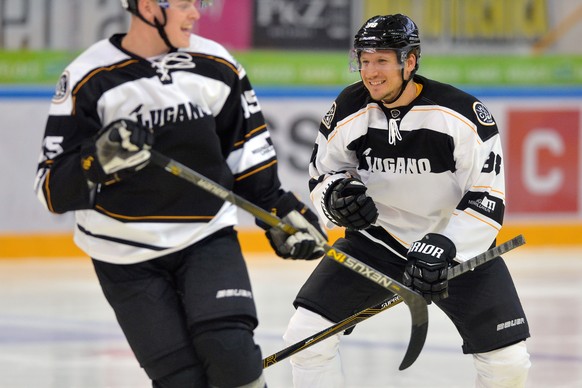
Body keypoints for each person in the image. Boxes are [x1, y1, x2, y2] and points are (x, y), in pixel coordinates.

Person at [33, 0, 326, 386]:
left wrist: (280, 212)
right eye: (186, 3)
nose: (196, 13)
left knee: (233, 357)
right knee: (181, 380)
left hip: (205, 236)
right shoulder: (89, 77)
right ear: (149, 6)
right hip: (124, 256)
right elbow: (51, 189)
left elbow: (247, 158)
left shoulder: (217, 65)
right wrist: (97, 158)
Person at [282, 14, 531, 388]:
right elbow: (322, 174)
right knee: (305, 336)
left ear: (410, 61)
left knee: (508, 362)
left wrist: (448, 244)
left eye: (381, 60)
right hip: (377, 244)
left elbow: (488, 197)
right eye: (364, 60)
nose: (370, 72)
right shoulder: (350, 107)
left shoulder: (460, 115)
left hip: (453, 252)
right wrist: (334, 199)